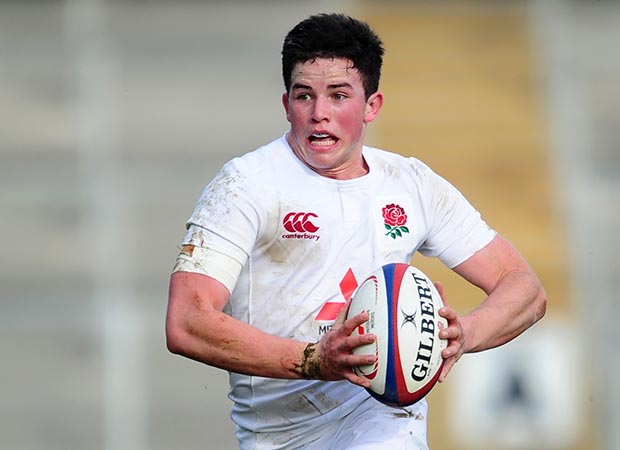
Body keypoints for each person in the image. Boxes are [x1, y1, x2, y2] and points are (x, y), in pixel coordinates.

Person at [166, 12, 547, 450]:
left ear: (372, 106)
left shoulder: (411, 184)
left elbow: (524, 288)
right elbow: (187, 320)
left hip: (382, 416)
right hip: (278, 435)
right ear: (286, 104)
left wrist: (466, 335)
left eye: (338, 95)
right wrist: (314, 360)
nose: (319, 114)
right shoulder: (244, 185)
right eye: (304, 96)